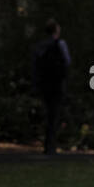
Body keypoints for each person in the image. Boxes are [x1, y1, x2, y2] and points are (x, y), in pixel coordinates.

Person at [33, 19, 71, 155]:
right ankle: (51, 145)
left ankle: (47, 143)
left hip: (44, 84)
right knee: (54, 114)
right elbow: (67, 62)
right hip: (56, 84)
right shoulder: (60, 44)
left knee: (48, 113)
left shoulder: (40, 46)